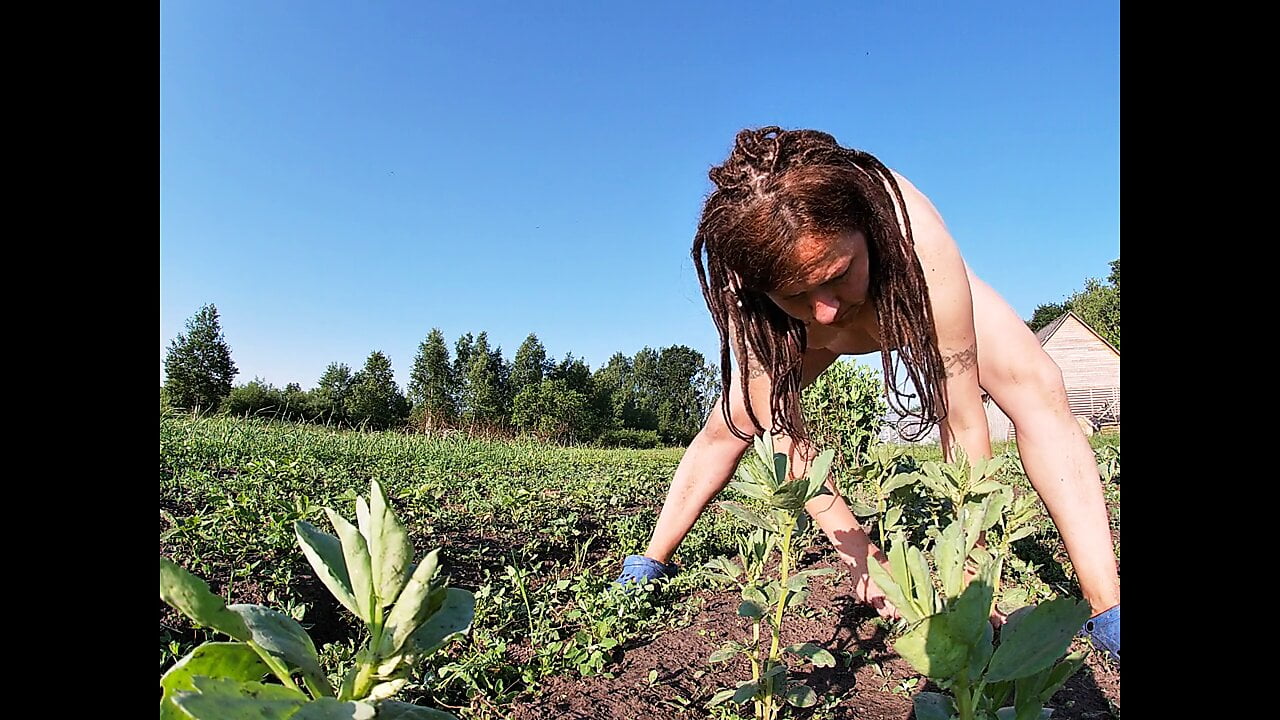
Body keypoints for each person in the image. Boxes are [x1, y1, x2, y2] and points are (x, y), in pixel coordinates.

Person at [614, 127, 1120, 663]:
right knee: (731, 424)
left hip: (903, 297)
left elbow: (962, 418)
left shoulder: (916, 239)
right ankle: (649, 562)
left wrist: (968, 581)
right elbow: (782, 434)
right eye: (797, 293)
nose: (827, 309)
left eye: (837, 275)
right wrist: (862, 557)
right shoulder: (748, 277)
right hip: (795, 336)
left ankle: (1107, 606)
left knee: (1037, 385)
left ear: (863, 230)